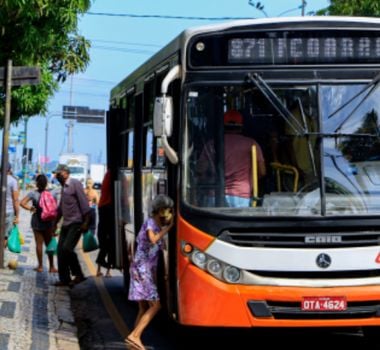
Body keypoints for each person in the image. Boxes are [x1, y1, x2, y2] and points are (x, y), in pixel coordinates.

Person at [125, 194, 174, 350]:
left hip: (140, 269)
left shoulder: (154, 224)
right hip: (142, 270)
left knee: (143, 308)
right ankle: (134, 336)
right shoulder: (151, 224)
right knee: (156, 306)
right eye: (168, 210)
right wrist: (169, 228)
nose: (169, 213)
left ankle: (133, 342)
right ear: (161, 210)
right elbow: (153, 239)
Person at [198, 109, 266, 207]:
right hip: (241, 197)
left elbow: (200, 170)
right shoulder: (251, 144)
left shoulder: (211, 144)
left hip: (214, 196)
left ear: (222, 126)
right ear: (241, 126)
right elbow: (262, 171)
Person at [53, 164, 92, 287]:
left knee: (67, 248)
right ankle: (64, 279)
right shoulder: (63, 187)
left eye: (58, 173)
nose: (56, 176)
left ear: (65, 173)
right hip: (66, 223)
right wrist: (55, 223)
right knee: (60, 251)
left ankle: (79, 274)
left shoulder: (75, 184)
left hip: (76, 222)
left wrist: (86, 222)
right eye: (56, 174)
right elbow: (61, 208)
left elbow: (85, 204)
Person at [20, 174, 58, 273]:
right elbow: (55, 209)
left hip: (36, 222)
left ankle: (40, 266)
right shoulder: (52, 194)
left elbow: (22, 203)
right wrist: (55, 225)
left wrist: (30, 208)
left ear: (37, 183)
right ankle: (52, 267)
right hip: (49, 223)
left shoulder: (33, 194)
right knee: (49, 244)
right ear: (46, 183)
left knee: (39, 244)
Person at [95, 169, 114, 277]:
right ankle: (107, 270)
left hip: (103, 209)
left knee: (104, 246)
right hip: (108, 209)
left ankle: (101, 269)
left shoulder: (107, 175)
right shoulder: (112, 175)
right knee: (110, 244)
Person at [4, 163, 19, 247]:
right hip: (8, 211)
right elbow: (15, 200)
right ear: (10, 170)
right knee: (5, 237)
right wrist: (17, 215)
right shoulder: (13, 181)